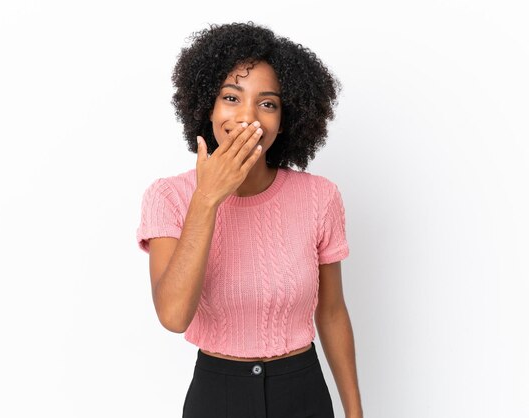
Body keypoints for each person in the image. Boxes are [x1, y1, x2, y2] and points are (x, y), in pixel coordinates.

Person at [136, 21, 363, 418]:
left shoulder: (319, 197)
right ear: (206, 105)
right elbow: (173, 316)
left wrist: (355, 413)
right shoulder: (169, 197)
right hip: (217, 395)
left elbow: (331, 312)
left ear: (286, 116)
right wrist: (207, 199)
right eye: (231, 97)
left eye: (268, 103)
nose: (248, 117)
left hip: (303, 392)